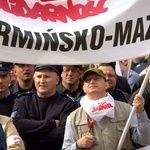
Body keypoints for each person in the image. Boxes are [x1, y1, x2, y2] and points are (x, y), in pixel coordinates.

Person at [62, 68, 150, 150]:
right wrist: (77, 145)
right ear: (83, 88)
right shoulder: (73, 117)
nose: (92, 81)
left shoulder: (127, 109)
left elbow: (144, 140)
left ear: (106, 84)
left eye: (96, 78)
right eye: (88, 80)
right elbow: (66, 148)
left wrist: (141, 112)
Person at [11, 65, 79, 150]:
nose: (42, 81)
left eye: (46, 77)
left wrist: (29, 134)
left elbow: (64, 134)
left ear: (57, 80)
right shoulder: (23, 100)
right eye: (39, 77)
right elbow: (17, 125)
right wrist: (52, 124)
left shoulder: (68, 104)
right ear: (34, 78)